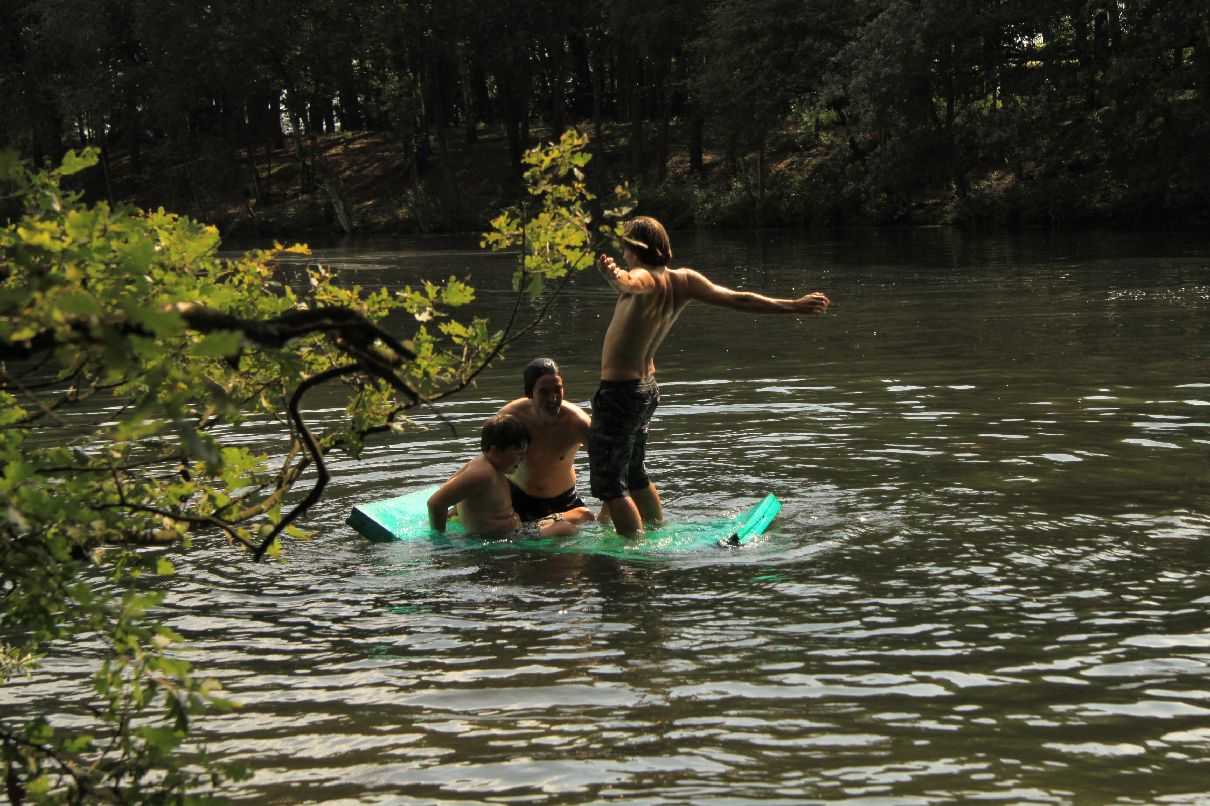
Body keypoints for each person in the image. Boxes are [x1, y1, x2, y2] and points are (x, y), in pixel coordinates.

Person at [589, 215, 830, 535]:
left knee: (611, 485)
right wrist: (794, 305)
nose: (623, 254)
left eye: (625, 248)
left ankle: (634, 547)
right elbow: (738, 299)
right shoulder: (684, 281)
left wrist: (613, 275)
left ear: (635, 248)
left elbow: (630, 282)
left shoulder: (642, 275)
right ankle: (657, 531)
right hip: (646, 390)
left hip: (620, 391)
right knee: (634, 474)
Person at [427, 413, 577, 538]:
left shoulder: (481, 464)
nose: (523, 459)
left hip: (513, 530)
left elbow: (455, 493)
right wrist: (440, 542)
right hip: (501, 538)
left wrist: (455, 514)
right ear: (496, 450)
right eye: (519, 453)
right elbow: (435, 503)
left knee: (583, 515)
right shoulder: (483, 473)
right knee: (566, 528)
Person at [496, 358, 595, 524]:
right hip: (517, 497)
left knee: (586, 519)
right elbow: (491, 458)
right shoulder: (511, 416)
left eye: (557, 390)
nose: (552, 399)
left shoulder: (578, 423)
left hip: (564, 502)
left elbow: (609, 467)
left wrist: (607, 511)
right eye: (544, 392)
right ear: (530, 393)